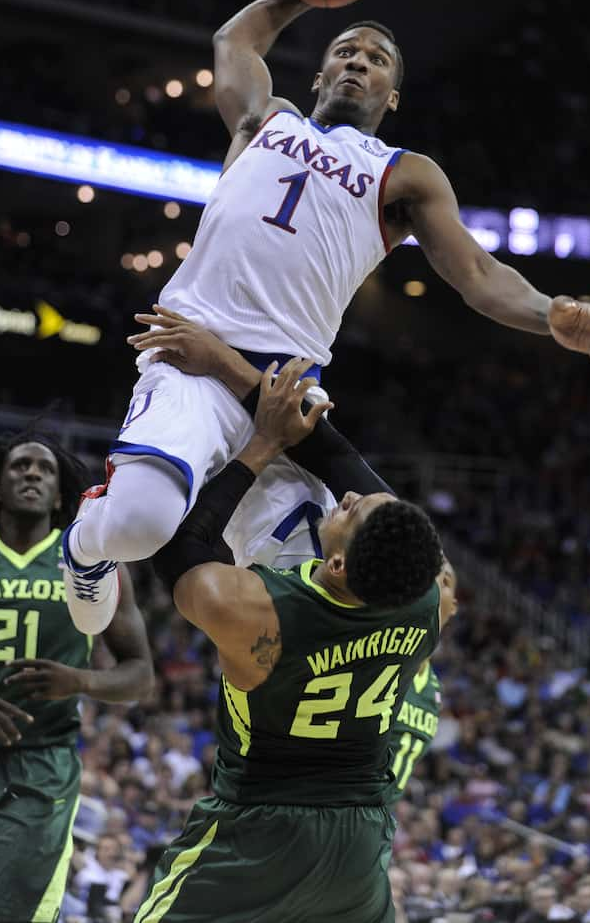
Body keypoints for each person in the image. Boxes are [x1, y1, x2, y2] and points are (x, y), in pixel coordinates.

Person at [61, 0, 590, 634]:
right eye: (346, 50)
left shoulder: (406, 173)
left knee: (319, 594)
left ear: (393, 94)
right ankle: (84, 545)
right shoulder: (265, 118)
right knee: (141, 525)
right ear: (322, 70)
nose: (359, 60)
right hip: (192, 352)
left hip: (286, 391)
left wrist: (547, 310)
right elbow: (233, 42)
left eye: (377, 58)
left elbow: (476, 272)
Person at [132, 357, 445, 923]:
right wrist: (269, 403)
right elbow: (349, 469)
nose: (347, 496)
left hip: (260, 830)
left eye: (351, 510)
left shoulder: (258, 612)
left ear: (342, 564)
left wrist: (260, 447)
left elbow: (178, 547)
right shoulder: (424, 606)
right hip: (358, 843)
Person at [0, 432, 154, 923]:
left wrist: (80, 680)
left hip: (42, 766)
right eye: (20, 466)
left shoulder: (91, 564)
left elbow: (140, 675)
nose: (32, 474)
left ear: (61, 495)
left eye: (45, 469)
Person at [387, 559, 457, 804]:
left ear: (453, 606)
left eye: (443, 581)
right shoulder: (378, 658)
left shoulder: (433, 689)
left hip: (379, 822)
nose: (434, 587)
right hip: (338, 809)